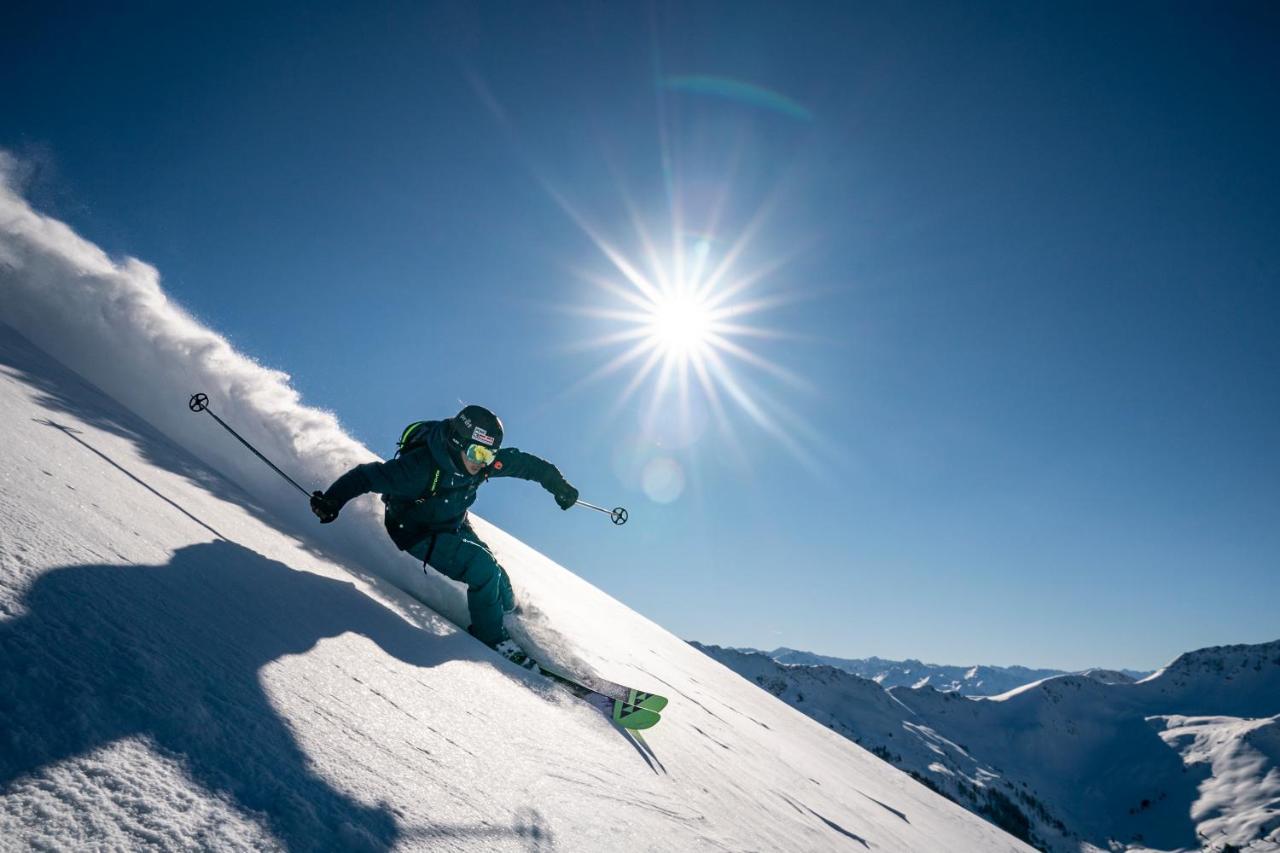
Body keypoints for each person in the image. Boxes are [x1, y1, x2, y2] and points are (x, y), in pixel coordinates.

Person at [308, 405, 578, 666]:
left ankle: (509, 617)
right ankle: (493, 637)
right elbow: (365, 476)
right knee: (482, 568)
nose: (480, 462)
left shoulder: (482, 462)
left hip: (453, 522)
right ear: (458, 442)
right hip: (417, 530)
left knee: (499, 577)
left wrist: (558, 485)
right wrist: (332, 501)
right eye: (476, 453)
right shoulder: (419, 468)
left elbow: (525, 464)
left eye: (488, 455)